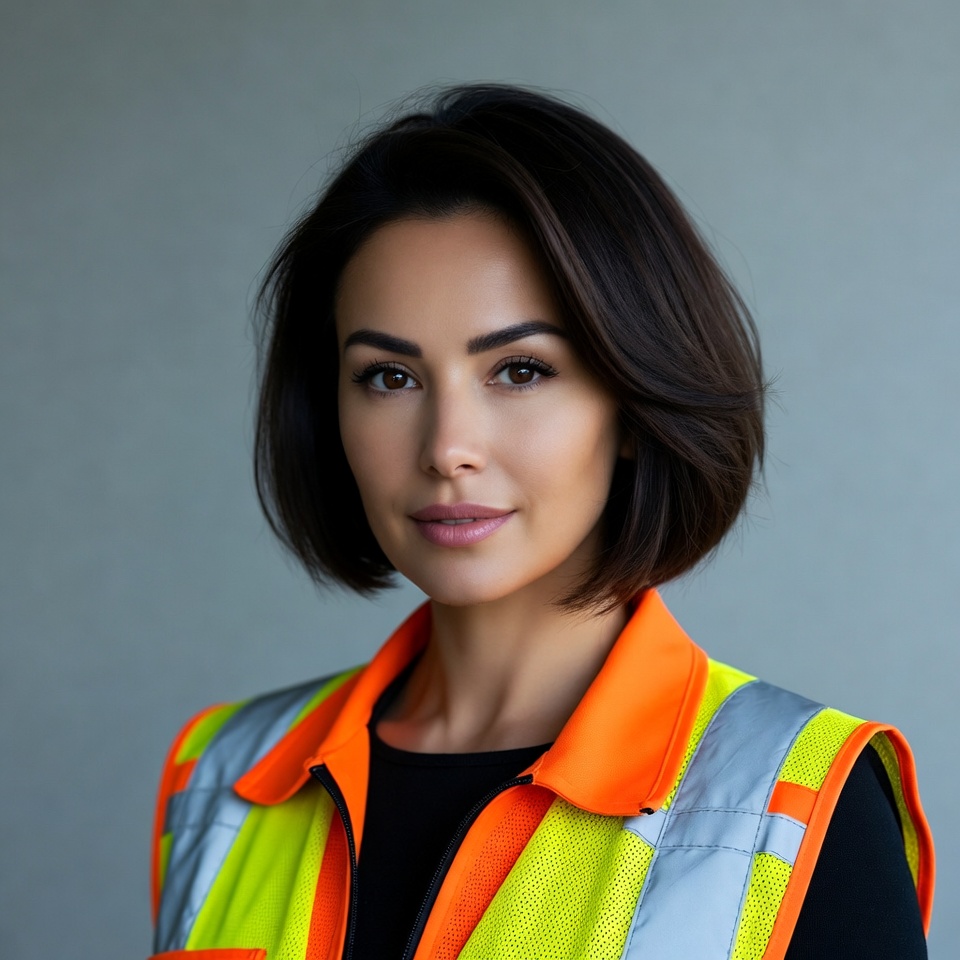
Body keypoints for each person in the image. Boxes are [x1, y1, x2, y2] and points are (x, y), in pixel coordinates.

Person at [149, 84, 934, 960]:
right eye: (389, 377)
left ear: (632, 403)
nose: (447, 448)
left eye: (520, 371)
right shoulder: (222, 779)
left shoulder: (792, 808)